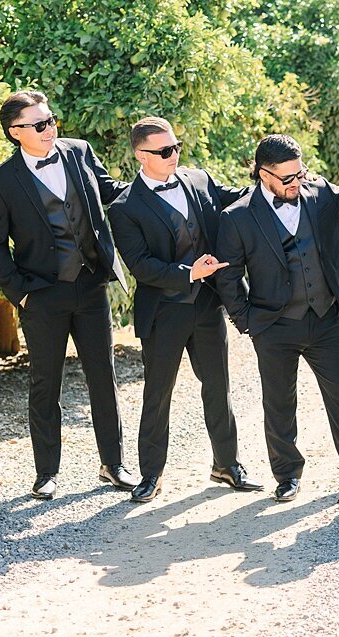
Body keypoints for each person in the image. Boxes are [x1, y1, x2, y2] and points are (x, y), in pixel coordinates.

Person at [0, 90, 136, 500]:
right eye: (39, 124)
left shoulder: (79, 152)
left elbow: (112, 192)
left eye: (51, 121)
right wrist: (21, 294)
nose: (50, 129)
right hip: (41, 295)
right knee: (45, 384)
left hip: (91, 284)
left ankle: (114, 464)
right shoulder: (0, 182)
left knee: (103, 376)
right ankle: (46, 472)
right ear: (16, 133)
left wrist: (157, 184)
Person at [107, 117, 261, 503]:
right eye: (163, 151)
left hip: (208, 306)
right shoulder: (125, 208)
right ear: (141, 155)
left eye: (176, 147)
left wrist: (273, 179)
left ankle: (227, 464)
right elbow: (140, 265)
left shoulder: (198, 179)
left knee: (219, 386)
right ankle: (151, 474)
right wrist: (189, 272)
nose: (173, 154)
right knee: (158, 394)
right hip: (163, 312)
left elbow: (238, 197)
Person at [215, 135, 339, 502]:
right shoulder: (238, 216)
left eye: (300, 173)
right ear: (264, 174)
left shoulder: (320, 192)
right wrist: (246, 321)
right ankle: (287, 475)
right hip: (274, 325)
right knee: (279, 403)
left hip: (326, 317)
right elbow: (228, 277)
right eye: (287, 178)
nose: (296, 182)